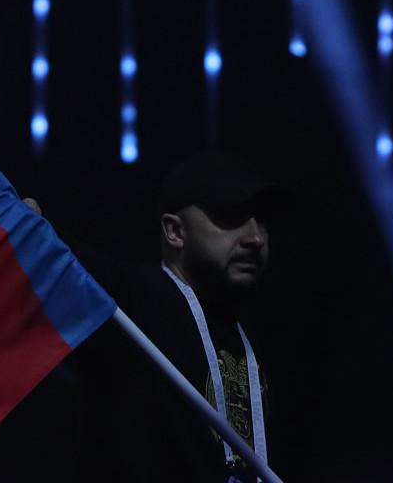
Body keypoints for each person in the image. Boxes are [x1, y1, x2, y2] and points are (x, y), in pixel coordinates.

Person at [66, 150, 290, 482]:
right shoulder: (132, 301)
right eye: (231, 216)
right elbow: (49, 256)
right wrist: (23, 225)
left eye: (262, 220)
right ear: (175, 231)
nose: (255, 238)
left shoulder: (262, 337)